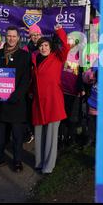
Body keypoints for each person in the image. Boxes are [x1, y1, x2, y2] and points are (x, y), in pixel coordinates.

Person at [0, 26, 30, 173]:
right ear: (5, 37)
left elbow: (26, 79)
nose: (11, 39)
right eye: (9, 36)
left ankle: (17, 161)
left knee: (17, 136)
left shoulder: (24, 56)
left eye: (14, 36)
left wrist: (17, 95)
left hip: (15, 103)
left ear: (18, 38)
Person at [31, 24, 70, 174]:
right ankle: (40, 162)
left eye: (46, 45)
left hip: (53, 102)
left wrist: (59, 31)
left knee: (52, 136)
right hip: (38, 102)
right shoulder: (35, 58)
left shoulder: (58, 57)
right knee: (39, 133)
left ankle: (49, 165)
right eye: (41, 46)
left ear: (50, 47)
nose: (44, 48)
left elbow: (66, 47)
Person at [59, 33, 85, 148]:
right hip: (61, 91)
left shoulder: (80, 55)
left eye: (71, 40)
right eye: (68, 39)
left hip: (74, 92)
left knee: (73, 118)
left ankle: (71, 138)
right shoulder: (63, 53)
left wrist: (81, 88)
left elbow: (83, 72)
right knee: (62, 117)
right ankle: (61, 137)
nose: (69, 41)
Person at [22, 24, 42, 144]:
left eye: (37, 34)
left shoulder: (44, 47)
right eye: (33, 35)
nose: (35, 36)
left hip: (40, 83)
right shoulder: (26, 49)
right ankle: (30, 132)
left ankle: (38, 131)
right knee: (29, 109)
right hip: (29, 82)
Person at [83, 66, 98, 147]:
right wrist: (91, 74)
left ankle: (97, 140)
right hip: (92, 105)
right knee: (91, 123)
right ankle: (90, 139)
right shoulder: (95, 67)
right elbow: (86, 78)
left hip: (102, 108)